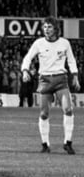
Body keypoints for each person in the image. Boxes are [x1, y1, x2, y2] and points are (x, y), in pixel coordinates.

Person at [20, 16, 79, 154]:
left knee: (68, 109)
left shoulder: (64, 43)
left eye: (49, 27)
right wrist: (24, 70)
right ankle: (45, 144)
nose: (46, 30)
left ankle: (68, 143)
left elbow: (71, 60)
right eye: (45, 27)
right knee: (44, 113)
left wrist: (75, 75)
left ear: (56, 29)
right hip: (45, 80)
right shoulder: (39, 43)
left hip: (61, 79)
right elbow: (28, 57)